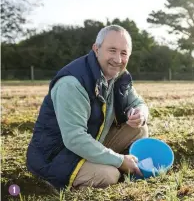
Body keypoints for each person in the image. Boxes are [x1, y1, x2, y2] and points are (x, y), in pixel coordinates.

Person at [26, 25, 149, 191]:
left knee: (139, 129)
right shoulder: (72, 84)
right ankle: (55, 184)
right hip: (55, 156)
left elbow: (137, 102)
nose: (118, 59)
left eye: (124, 53)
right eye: (112, 50)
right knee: (110, 175)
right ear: (96, 49)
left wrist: (141, 113)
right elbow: (74, 138)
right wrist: (120, 160)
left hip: (90, 141)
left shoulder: (118, 75)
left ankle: (122, 166)